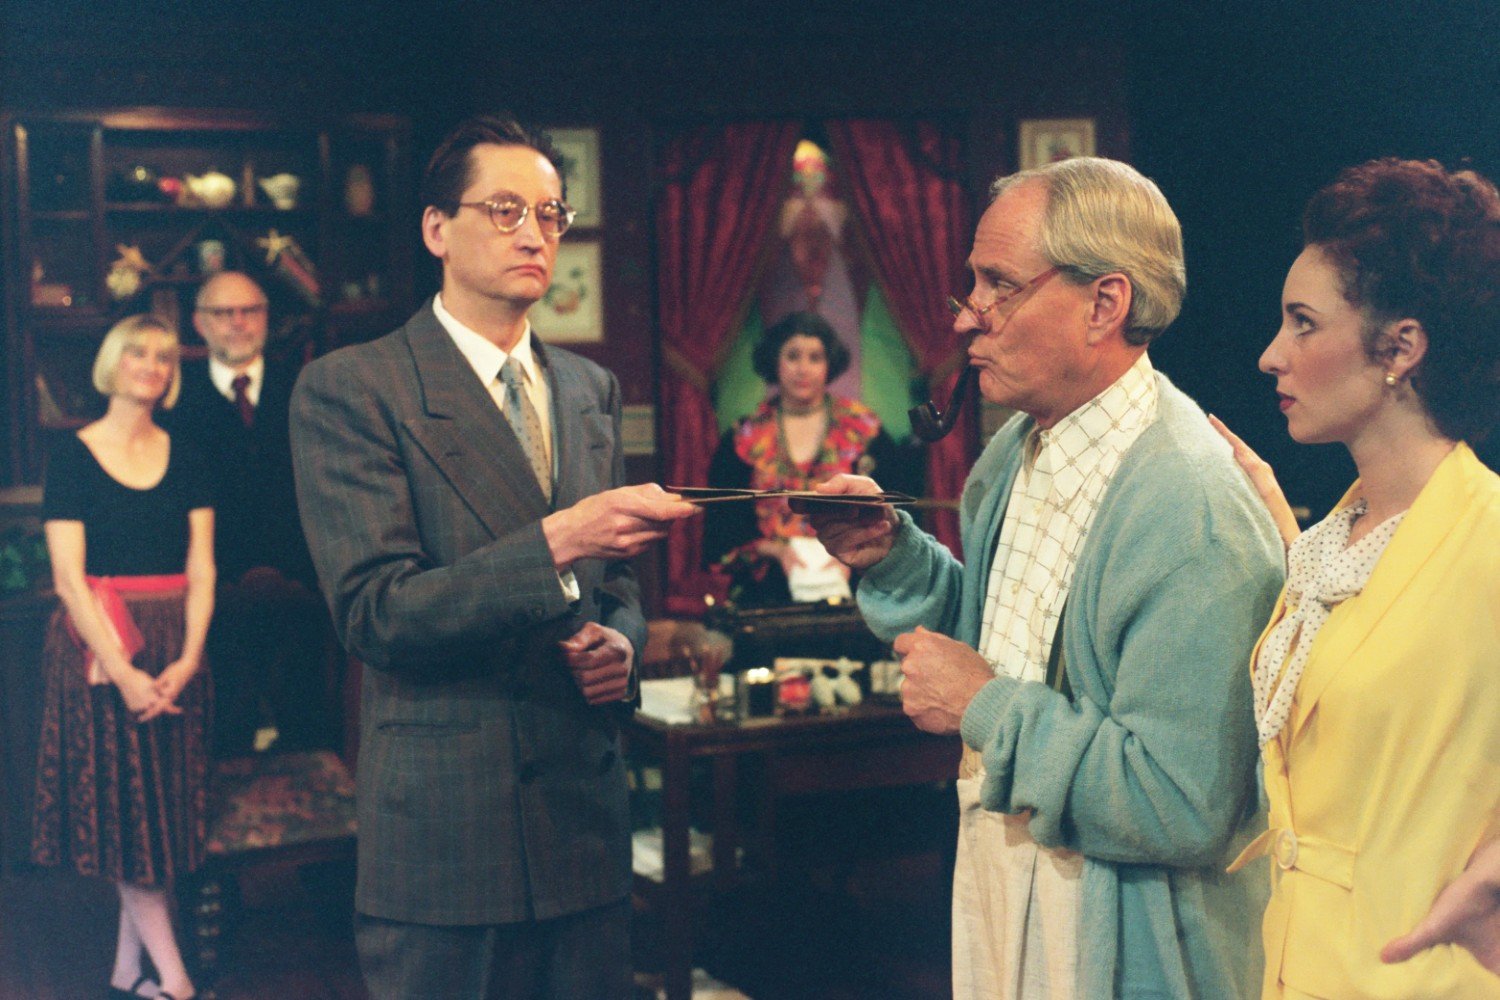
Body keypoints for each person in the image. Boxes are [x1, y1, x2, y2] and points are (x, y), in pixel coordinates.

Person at [805, 157, 1285, 998]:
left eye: (999, 285)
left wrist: (984, 706)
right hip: (1010, 888)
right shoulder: (1012, 452)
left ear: (1105, 304)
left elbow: (1180, 803)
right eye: (972, 285)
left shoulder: (1192, 507)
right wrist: (895, 556)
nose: (967, 316)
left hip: (1127, 944)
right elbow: (1007, 647)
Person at [289, 114, 698, 1000]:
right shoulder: (357, 387)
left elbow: (617, 582)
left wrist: (621, 645)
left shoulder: (588, 388)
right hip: (448, 839)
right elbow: (377, 614)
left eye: (550, 214)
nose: (534, 234)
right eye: (505, 210)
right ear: (436, 228)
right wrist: (561, 539)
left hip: (584, 831)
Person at [1211, 157, 1500, 998]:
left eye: (1303, 324)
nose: (1271, 355)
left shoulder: (1487, 539)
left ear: (1400, 347)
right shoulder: (1330, 541)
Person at [32, 313, 215, 1000]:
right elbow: (68, 580)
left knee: (158, 818)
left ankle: (125, 973)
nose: (152, 366)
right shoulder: (71, 456)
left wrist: (189, 659)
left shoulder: (188, 454)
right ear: (113, 363)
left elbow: (203, 569)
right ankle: (177, 983)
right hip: (100, 649)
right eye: (137, 353)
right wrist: (123, 671)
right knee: (125, 822)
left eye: (164, 357)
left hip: (174, 648)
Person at [159, 270, 331, 756]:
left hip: (303, 593)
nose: (237, 322)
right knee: (224, 737)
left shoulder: (305, 390)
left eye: (249, 310)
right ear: (199, 323)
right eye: (223, 312)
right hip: (210, 598)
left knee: (309, 736)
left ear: (265, 318)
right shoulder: (173, 399)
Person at [703, 310, 900, 605]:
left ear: (829, 364)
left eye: (815, 358)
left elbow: (896, 519)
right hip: (767, 591)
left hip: (854, 586)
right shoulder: (744, 437)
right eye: (793, 356)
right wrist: (776, 551)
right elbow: (721, 534)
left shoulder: (864, 430)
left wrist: (853, 554)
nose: (803, 369)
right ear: (775, 361)